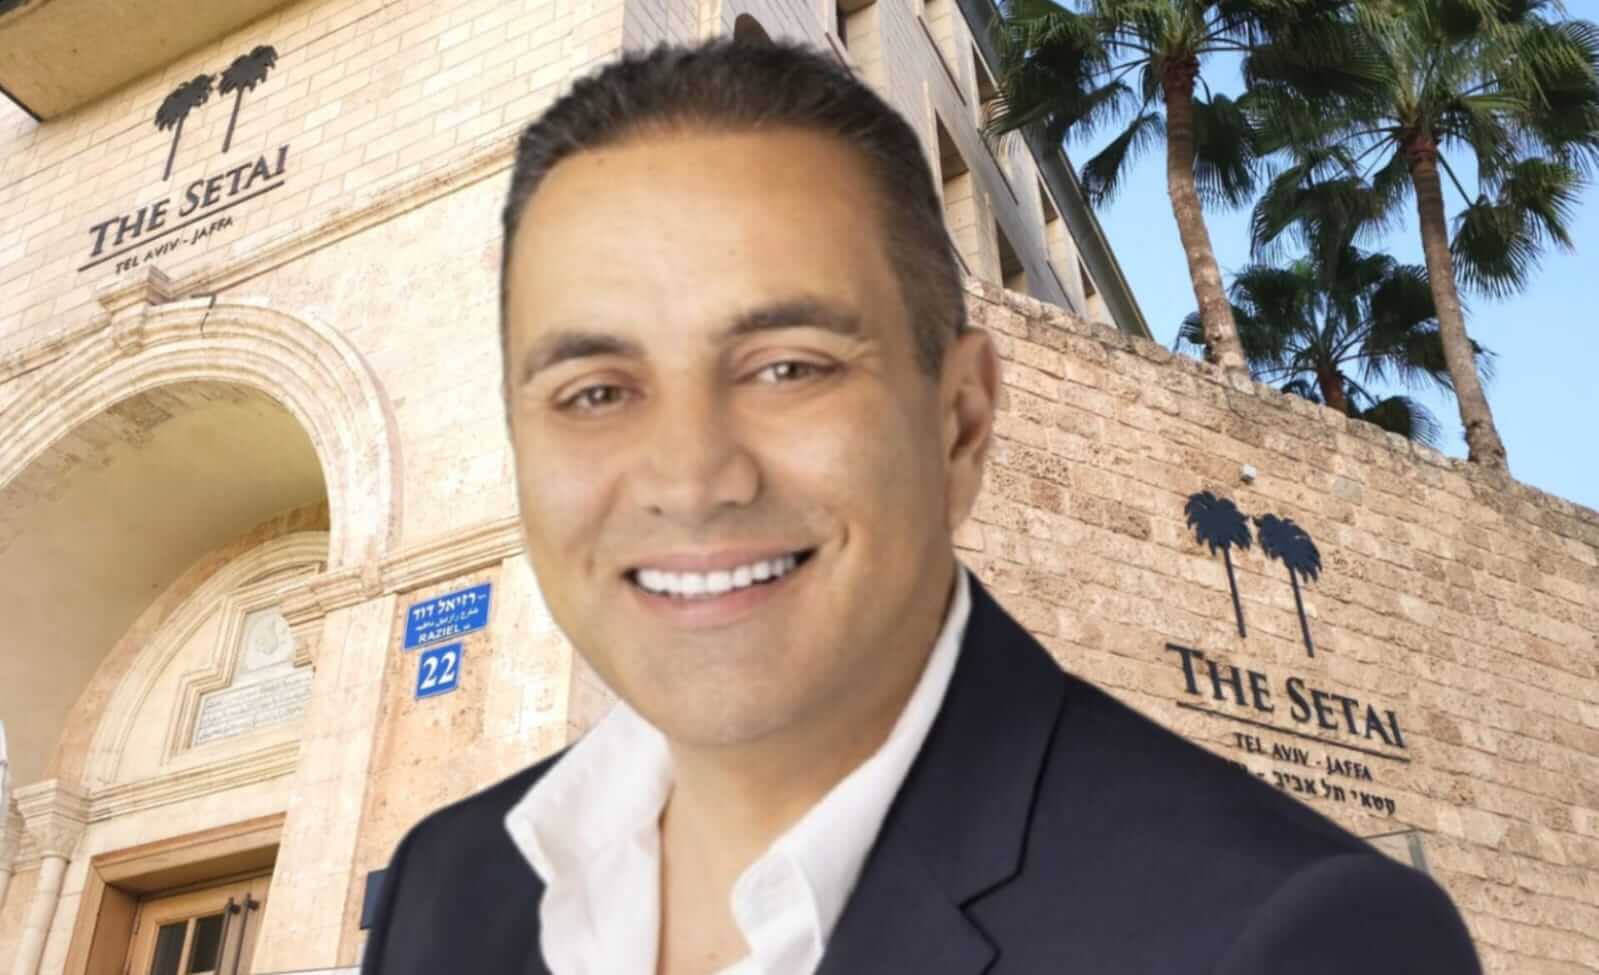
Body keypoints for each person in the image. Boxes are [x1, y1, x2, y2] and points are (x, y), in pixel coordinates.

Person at [360, 36, 1482, 975]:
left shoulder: (1295, 937)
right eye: (595, 392)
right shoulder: (446, 889)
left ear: (959, 421)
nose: (690, 479)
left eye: (787, 368)